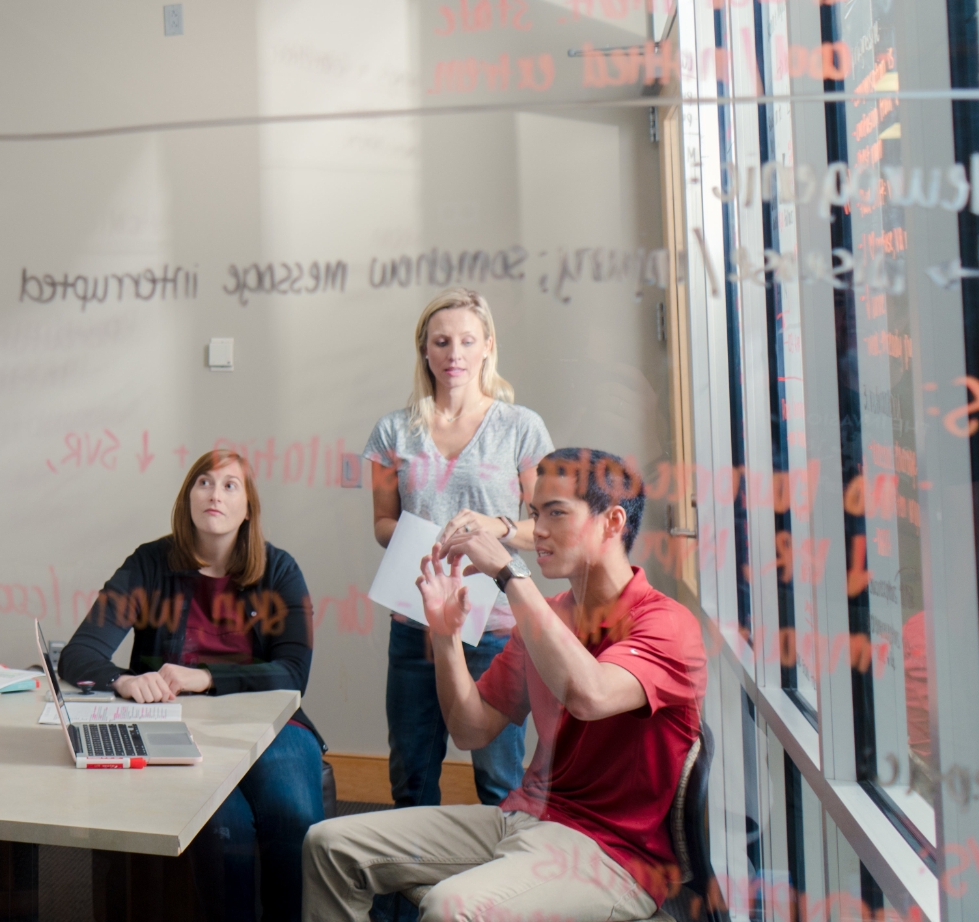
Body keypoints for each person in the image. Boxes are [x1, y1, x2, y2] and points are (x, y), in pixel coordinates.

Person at [303, 448, 706, 922]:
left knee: (448, 908)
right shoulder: (548, 616)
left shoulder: (666, 624)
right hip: (525, 817)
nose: (537, 530)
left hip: (611, 855)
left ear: (613, 521)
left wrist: (509, 573)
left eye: (556, 512)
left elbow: (590, 694)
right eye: (534, 513)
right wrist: (445, 635)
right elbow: (470, 729)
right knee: (329, 845)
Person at [61, 449, 325, 922]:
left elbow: (292, 673)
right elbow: (79, 655)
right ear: (187, 499)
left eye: (230, 486)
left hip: (272, 725)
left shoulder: (280, 570)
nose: (215, 494)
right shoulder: (149, 564)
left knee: (291, 818)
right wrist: (123, 681)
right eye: (203, 483)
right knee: (224, 830)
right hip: (173, 725)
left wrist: (205, 678)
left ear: (249, 508)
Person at [364, 288, 550, 813]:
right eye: (441, 341)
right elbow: (382, 524)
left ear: (488, 346)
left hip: (493, 628)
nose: (454, 353)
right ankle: (408, 895)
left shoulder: (521, 427)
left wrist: (492, 526)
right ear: (424, 349)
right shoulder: (391, 433)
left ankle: (497, 896)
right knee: (411, 781)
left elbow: (545, 530)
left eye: (467, 341)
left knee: (499, 784)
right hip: (416, 623)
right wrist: (420, 535)